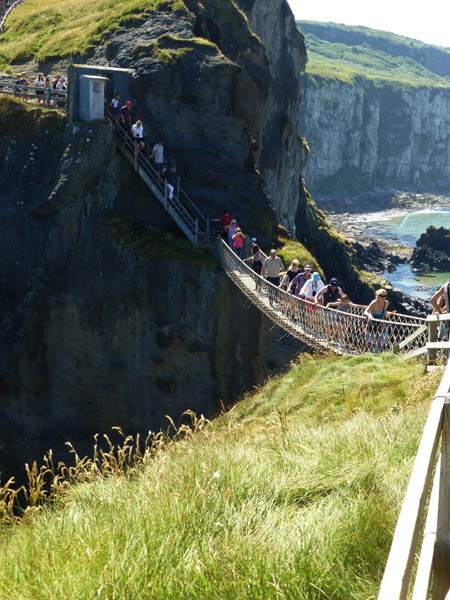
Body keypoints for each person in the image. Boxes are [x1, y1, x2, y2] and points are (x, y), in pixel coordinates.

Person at [363, 289, 396, 353]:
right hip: (373, 323)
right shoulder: (374, 302)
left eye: (385, 296)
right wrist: (369, 316)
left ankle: (379, 354)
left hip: (382, 324)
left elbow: (384, 314)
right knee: (371, 338)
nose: (383, 297)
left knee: (382, 339)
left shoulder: (386, 303)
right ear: (377, 295)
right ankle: (370, 353)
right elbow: (365, 312)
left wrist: (390, 314)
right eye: (381, 296)